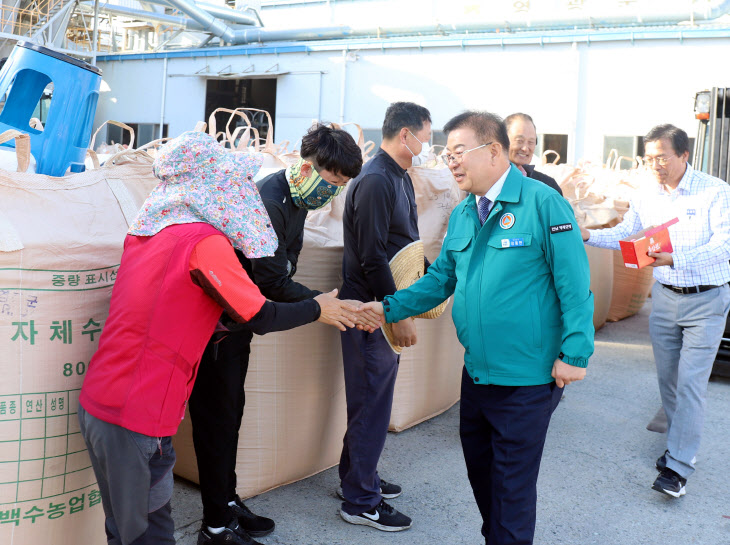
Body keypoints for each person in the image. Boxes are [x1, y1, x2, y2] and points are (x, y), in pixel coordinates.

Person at [77, 132, 376, 545]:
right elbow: (259, 312)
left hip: (107, 401)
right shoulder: (204, 241)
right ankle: (216, 525)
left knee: (128, 529)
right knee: (147, 535)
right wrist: (319, 308)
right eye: (233, 183)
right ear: (211, 186)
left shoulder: (148, 229)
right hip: (138, 415)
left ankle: (222, 512)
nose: (241, 193)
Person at [361, 110, 594, 545]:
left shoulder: (542, 202)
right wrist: (388, 308)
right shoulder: (466, 212)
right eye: (446, 153)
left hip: (526, 379)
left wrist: (574, 353)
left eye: (458, 151)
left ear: (493, 150)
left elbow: (575, 284)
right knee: (484, 479)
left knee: (512, 491)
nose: (451, 161)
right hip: (477, 376)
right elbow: (440, 280)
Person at [188, 123, 371, 545]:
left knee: (230, 416)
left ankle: (227, 502)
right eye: (332, 182)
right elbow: (272, 281)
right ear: (307, 168)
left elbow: (284, 266)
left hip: (238, 328)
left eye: (340, 187)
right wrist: (325, 305)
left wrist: (322, 301)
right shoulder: (269, 202)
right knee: (217, 422)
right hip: (216, 330)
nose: (333, 194)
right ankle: (215, 527)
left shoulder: (298, 201)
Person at [581, 124, 730, 498]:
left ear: (684, 156)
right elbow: (627, 235)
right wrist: (587, 235)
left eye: (662, 157)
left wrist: (675, 257)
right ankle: (679, 445)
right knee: (668, 380)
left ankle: (678, 467)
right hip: (665, 300)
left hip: (706, 301)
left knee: (691, 382)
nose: (656, 165)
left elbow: (722, 247)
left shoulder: (715, 191)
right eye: (650, 159)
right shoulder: (647, 194)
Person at [337, 101, 432, 532]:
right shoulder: (376, 180)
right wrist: (396, 314)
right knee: (371, 403)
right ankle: (360, 501)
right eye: (427, 136)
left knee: (370, 402)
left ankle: (357, 478)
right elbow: (373, 257)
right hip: (370, 310)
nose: (429, 145)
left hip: (383, 305)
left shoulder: (398, 176)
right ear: (406, 134)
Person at [504, 112, 563, 195]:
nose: (525, 148)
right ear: (502, 141)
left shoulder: (548, 186)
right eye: (519, 141)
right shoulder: (487, 182)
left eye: (531, 142)